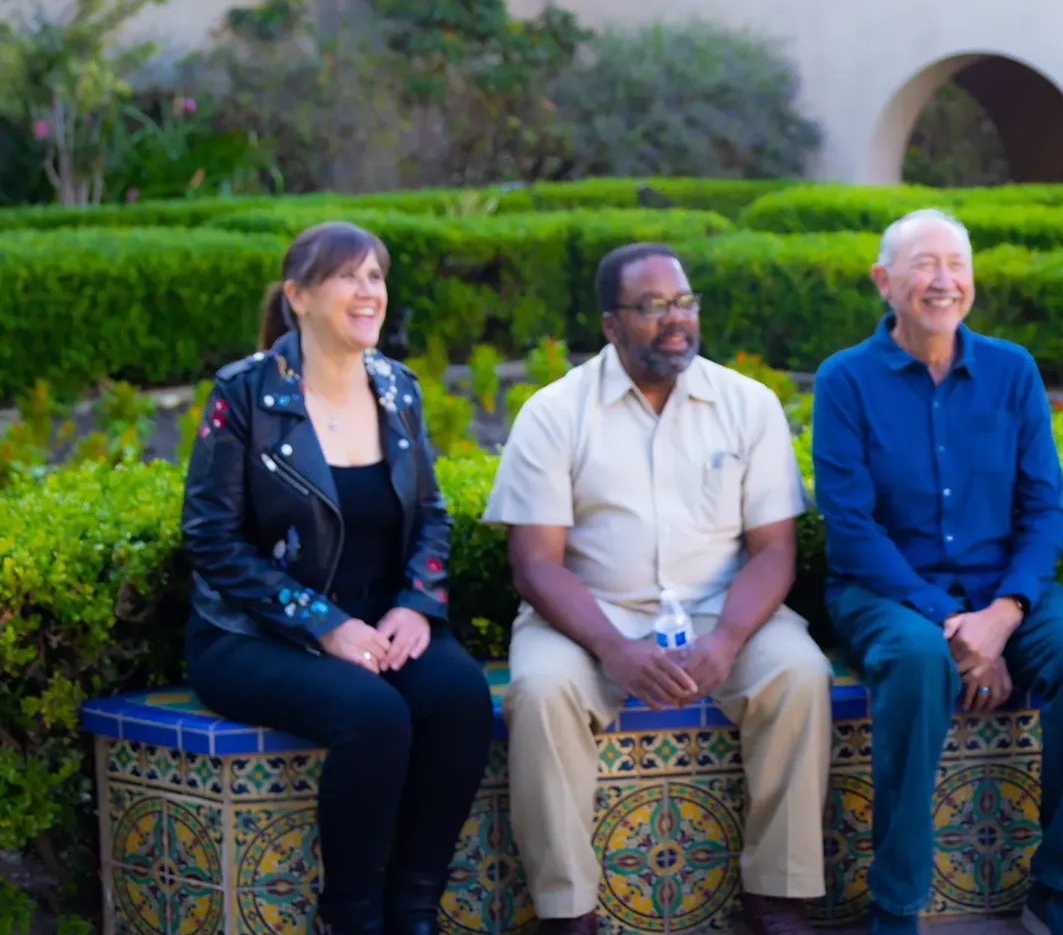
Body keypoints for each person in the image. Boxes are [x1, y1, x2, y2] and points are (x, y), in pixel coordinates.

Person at [483, 243, 831, 935]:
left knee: (799, 675)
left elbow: (774, 551)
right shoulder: (555, 413)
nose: (676, 320)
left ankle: (778, 900)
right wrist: (613, 647)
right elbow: (535, 564)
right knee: (542, 692)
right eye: (652, 307)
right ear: (611, 323)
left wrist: (728, 637)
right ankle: (566, 910)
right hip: (586, 615)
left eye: (684, 302)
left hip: (722, 610)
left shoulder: (747, 404)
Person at [810, 210, 1063, 935]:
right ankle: (895, 903)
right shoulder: (845, 381)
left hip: (1004, 591)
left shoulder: (1011, 371)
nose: (944, 280)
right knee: (920, 662)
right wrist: (946, 621)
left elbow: (1046, 508)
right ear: (884, 281)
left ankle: (1061, 886)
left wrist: (1005, 612)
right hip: (885, 590)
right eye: (925, 264)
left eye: (957, 265)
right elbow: (852, 529)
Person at [180, 221, 495, 935]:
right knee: (373, 715)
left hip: (379, 623)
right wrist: (322, 623)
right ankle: (350, 917)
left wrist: (417, 605)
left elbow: (432, 515)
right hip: (251, 634)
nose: (368, 291)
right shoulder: (244, 395)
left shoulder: (397, 388)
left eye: (377, 276)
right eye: (348, 276)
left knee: (460, 700)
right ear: (297, 295)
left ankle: (414, 908)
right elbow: (212, 539)